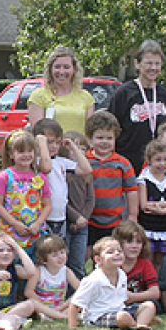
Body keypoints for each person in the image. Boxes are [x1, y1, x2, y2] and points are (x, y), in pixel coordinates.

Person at [109, 39, 166, 173]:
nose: (153, 68)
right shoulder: (124, 93)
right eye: (149, 63)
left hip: (160, 165)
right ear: (137, 63)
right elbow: (111, 128)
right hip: (129, 164)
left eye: (157, 64)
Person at [67, 238, 155, 330]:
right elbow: (75, 304)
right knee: (123, 317)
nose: (117, 253)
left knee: (149, 306)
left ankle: (141, 324)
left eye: (120, 251)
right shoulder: (93, 280)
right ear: (98, 260)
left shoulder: (121, 275)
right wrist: (73, 326)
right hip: (98, 317)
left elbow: (122, 300)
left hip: (120, 310)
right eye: (110, 252)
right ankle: (134, 325)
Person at [84, 110, 139, 249]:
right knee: (87, 253)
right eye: (100, 137)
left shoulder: (123, 163)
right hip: (88, 219)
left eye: (109, 138)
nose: (104, 142)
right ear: (90, 139)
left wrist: (132, 215)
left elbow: (131, 190)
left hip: (115, 220)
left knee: (113, 251)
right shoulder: (84, 161)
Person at [0, 130, 53, 255]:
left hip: (35, 232)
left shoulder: (40, 177)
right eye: (21, 151)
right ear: (11, 154)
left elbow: (47, 204)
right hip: (11, 231)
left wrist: (38, 224)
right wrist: (15, 224)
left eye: (29, 151)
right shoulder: (5, 176)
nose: (26, 155)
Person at [33, 118, 92, 240]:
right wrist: (41, 144)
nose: (54, 146)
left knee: (59, 252)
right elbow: (47, 168)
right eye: (49, 142)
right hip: (44, 218)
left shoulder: (62, 162)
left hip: (60, 217)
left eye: (57, 142)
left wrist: (73, 147)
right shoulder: (37, 162)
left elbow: (86, 169)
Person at [27, 46, 95, 133]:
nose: (61, 72)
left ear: (74, 69)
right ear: (50, 69)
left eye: (66, 67)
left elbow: (90, 133)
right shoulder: (38, 96)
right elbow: (37, 134)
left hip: (78, 146)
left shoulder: (86, 97)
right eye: (57, 67)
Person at [137, 140, 166, 271]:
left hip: (165, 226)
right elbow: (144, 205)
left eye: (165, 160)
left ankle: (160, 286)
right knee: (147, 259)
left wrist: (164, 210)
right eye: (158, 160)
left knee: (162, 261)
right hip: (148, 226)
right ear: (149, 160)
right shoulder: (144, 179)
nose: (162, 164)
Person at [25, 234, 81, 320]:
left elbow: (81, 289)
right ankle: (64, 317)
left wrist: (64, 305)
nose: (60, 257)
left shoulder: (66, 271)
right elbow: (28, 292)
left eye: (62, 252)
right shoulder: (39, 271)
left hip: (61, 307)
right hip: (42, 308)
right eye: (55, 255)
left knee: (80, 302)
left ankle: (59, 315)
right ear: (43, 260)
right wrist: (43, 307)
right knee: (32, 305)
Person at [63, 131, 95, 280]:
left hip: (82, 225)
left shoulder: (86, 173)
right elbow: (62, 199)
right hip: (66, 221)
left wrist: (83, 218)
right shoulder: (63, 171)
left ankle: (78, 294)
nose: (78, 152)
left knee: (78, 262)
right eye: (74, 147)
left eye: (82, 148)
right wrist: (75, 217)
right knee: (63, 260)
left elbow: (90, 199)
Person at [0, 232, 38, 318]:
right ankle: (6, 319)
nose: (5, 253)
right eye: (0, 250)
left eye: (9, 250)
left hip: (10, 309)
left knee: (30, 304)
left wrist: (17, 247)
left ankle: (60, 315)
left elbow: (31, 272)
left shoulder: (15, 269)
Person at [113, 221, 160, 313]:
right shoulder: (112, 264)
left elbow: (155, 292)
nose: (134, 246)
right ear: (119, 243)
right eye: (129, 242)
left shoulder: (145, 264)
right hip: (114, 302)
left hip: (138, 301)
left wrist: (132, 297)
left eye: (138, 242)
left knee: (154, 304)